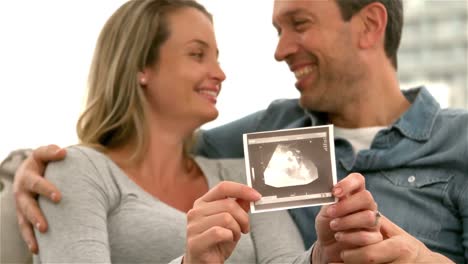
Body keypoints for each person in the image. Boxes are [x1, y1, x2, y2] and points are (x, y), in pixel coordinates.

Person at [11, 0, 466, 263]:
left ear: (370, 25)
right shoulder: (268, 140)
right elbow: (125, 153)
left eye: (300, 24)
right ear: (139, 67)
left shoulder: (460, 142)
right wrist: (25, 169)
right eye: (197, 54)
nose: (280, 50)